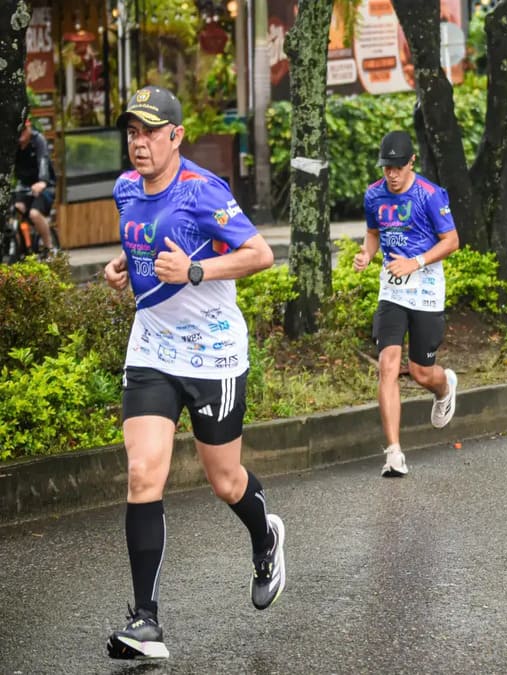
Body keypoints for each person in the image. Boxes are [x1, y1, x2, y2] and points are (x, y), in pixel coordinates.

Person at [102, 86, 284, 659]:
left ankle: (266, 535)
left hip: (213, 356)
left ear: (176, 136)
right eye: (131, 132)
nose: (139, 143)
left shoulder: (204, 191)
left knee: (225, 481)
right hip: (153, 350)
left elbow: (260, 254)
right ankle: (146, 622)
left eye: (150, 132)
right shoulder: (126, 188)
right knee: (142, 474)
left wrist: (196, 270)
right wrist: (121, 264)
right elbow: (142, 241)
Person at [354, 130, 460, 477]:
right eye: (387, 168)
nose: (392, 175)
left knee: (420, 372)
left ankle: (444, 387)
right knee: (387, 365)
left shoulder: (429, 194)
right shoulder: (373, 195)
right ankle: (394, 453)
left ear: (411, 162)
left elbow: (452, 241)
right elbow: (373, 233)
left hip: (426, 287)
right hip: (393, 291)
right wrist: (366, 255)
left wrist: (415, 262)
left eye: (398, 167)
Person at [13, 117, 58, 256]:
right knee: (16, 210)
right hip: (24, 187)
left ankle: (50, 248)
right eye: (19, 131)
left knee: (34, 214)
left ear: (29, 127)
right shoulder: (13, 145)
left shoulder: (38, 140)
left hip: (44, 187)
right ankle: (22, 249)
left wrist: (43, 181)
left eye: (24, 129)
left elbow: (43, 160)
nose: (21, 133)